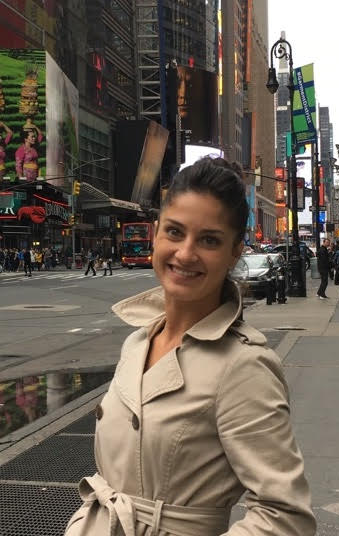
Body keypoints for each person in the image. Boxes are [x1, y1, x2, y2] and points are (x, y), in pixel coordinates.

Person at [64, 158, 315, 535]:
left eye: (209, 240)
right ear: (155, 234)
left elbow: (286, 517)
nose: (185, 253)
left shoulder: (244, 366)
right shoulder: (137, 340)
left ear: (234, 252)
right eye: (175, 232)